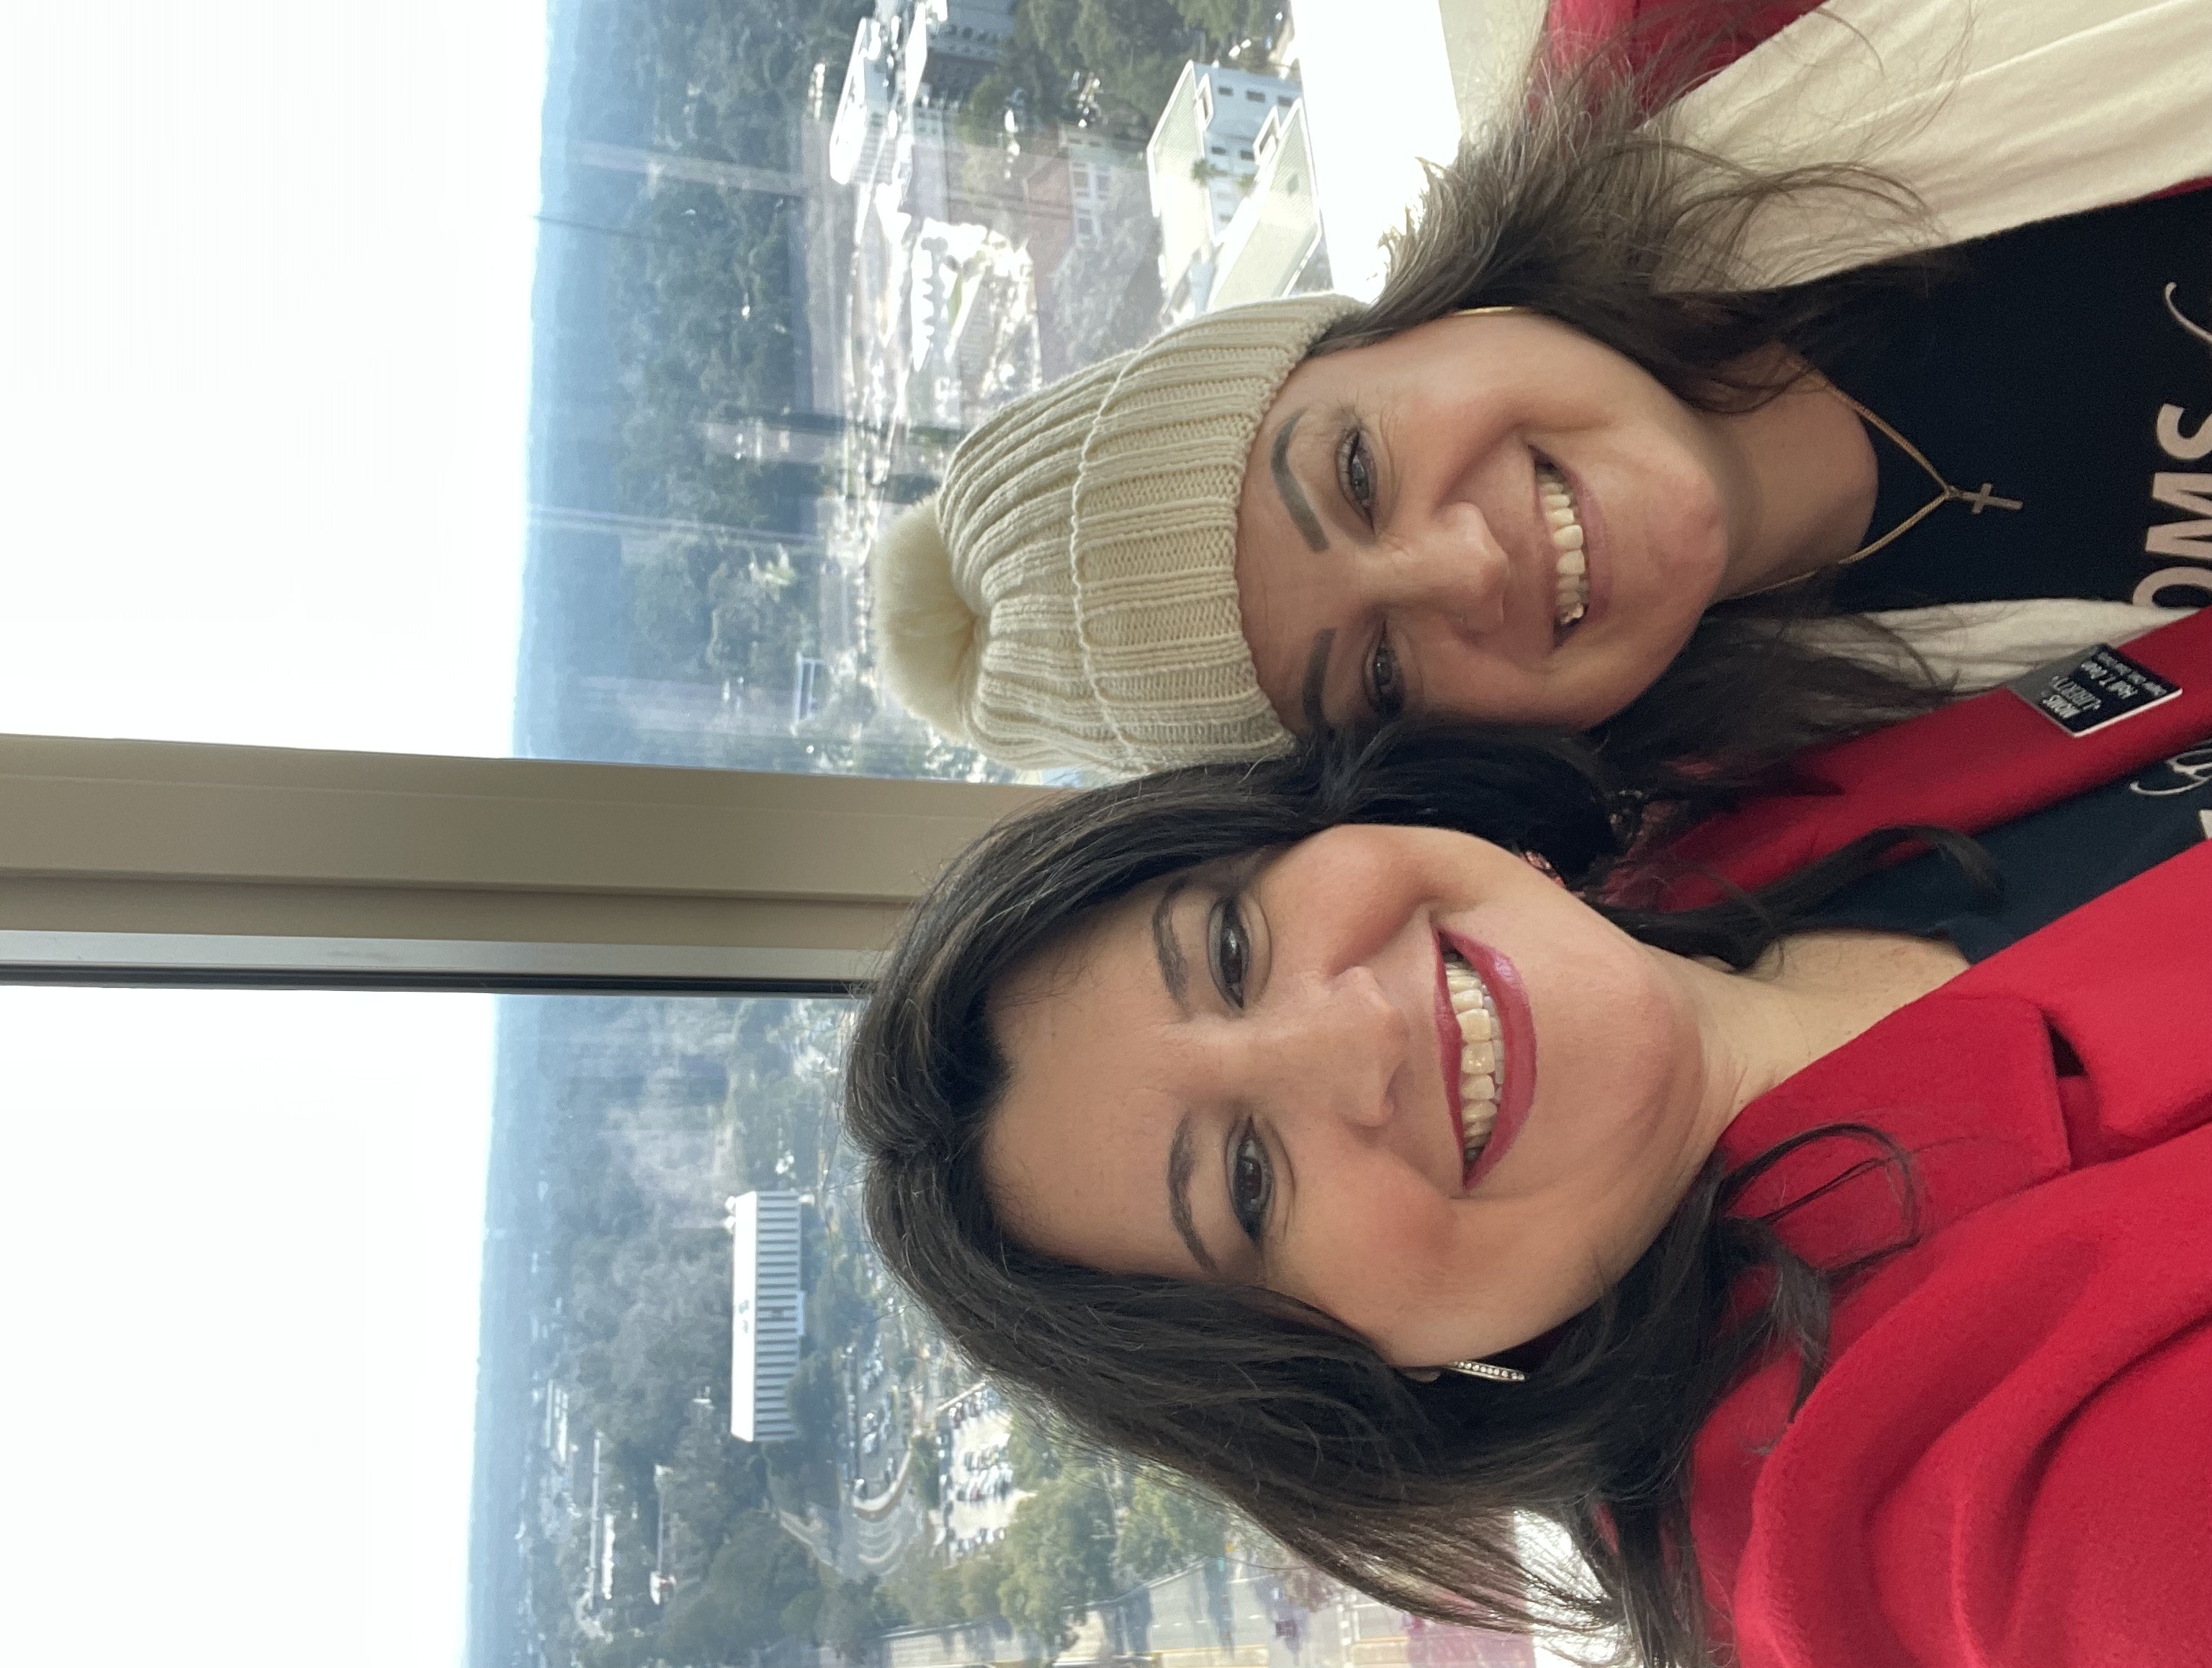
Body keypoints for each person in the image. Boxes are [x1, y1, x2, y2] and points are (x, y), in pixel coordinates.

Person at [841, 604, 2212, 1668]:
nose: (1356, 1036)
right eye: (1249, 1182)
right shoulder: (1935, 1517)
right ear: (1348, 1381)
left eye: (1234, 949)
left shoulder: (1732, 803)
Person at [868, 0, 2211, 808]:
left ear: (1400, 322)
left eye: (1356, 474)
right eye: (1382, 672)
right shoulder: (1824, 829)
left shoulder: (1699, 41)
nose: (1463, 567)